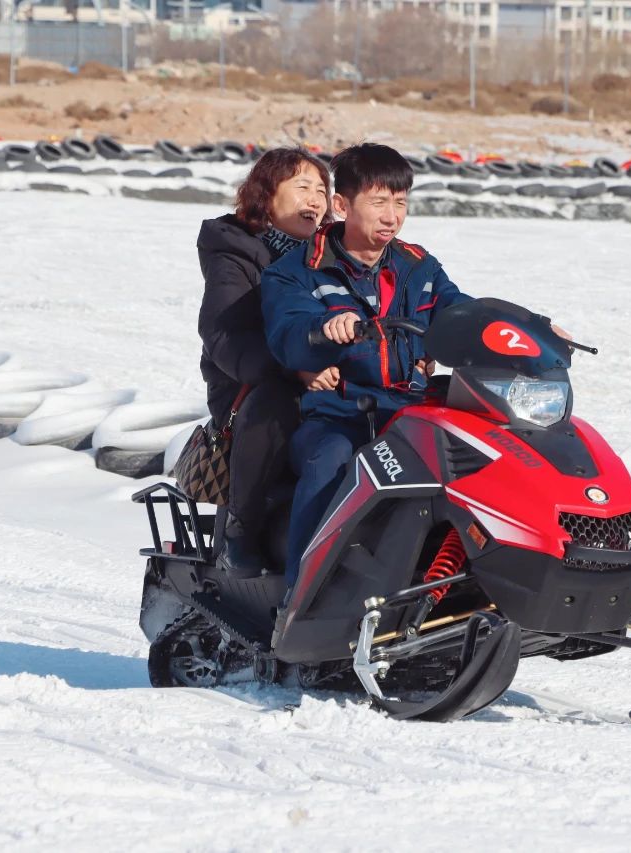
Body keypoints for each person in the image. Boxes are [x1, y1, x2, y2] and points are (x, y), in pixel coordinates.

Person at [260, 143, 473, 588]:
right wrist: (324, 330)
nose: (391, 216)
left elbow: (460, 311)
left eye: (401, 203)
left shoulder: (419, 266)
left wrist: (525, 325)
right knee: (331, 461)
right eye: (378, 202)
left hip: (412, 413)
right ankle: (302, 594)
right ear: (342, 206)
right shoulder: (297, 272)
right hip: (338, 417)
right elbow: (289, 335)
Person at [196, 147, 334, 577]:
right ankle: (242, 528)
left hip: (325, 377)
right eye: (302, 187)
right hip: (249, 389)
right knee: (279, 401)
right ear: (266, 195)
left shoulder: (330, 255)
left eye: (321, 190)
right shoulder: (235, 252)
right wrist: (294, 369)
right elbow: (224, 335)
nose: (314, 199)